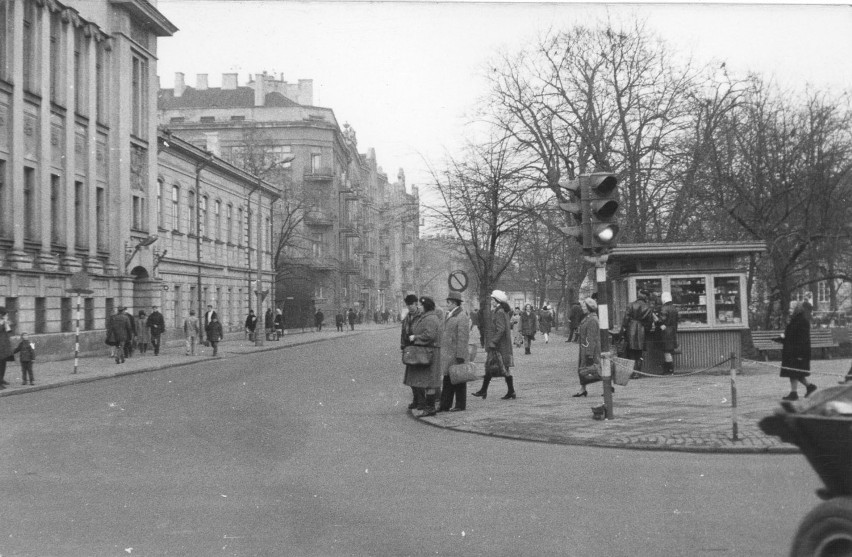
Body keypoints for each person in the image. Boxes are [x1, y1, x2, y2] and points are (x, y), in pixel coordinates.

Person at [403, 296, 443, 417]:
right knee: (428, 381)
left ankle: (430, 408)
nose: (419, 307)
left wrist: (415, 337)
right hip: (428, 352)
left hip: (430, 353)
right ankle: (429, 406)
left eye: (421, 305)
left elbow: (429, 335)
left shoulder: (430, 318)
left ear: (425, 306)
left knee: (430, 382)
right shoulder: (427, 317)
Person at [473, 290, 515, 400]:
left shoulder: (499, 312)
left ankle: (485, 390)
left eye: (493, 299)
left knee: (493, 367)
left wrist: (493, 342)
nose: (491, 301)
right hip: (500, 345)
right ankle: (510, 391)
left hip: (498, 346)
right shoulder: (501, 310)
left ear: (497, 301)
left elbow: (500, 329)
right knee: (496, 368)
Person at [775, 301, 817, 401]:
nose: (790, 310)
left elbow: (802, 339)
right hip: (792, 351)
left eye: (791, 308)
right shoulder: (795, 319)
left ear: (797, 309)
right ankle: (806, 388)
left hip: (797, 352)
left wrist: (800, 354)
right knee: (794, 372)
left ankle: (799, 391)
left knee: (795, 372)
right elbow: (791, 335)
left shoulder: (802, 320)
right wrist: (781, 339)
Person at [438, 291, 470, 412]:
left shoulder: (461, 316)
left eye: (449, 302)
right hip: (448, 353)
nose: (447, 304)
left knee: (459, 379)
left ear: (455, 303)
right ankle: (445, 405)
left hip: (456, 354)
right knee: (448, 380)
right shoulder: (450, 315)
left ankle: (460, 405)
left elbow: (463, 337)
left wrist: (461, 355)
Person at [620, 289, 658, 374]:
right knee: (639, 353)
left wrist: (624, 329)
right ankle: (638, 372)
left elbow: (626, 319)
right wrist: (646, 329)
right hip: (642, 330)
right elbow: (649, 321)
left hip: (631, 329)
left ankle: (633, 372)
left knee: (631, 352)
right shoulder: (648, 307)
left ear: (639, 295)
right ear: (646, 297)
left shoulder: (631, 305)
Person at [573, 298, 601, 397]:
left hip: (589, 348)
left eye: (584, 306)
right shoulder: (588, 317)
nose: (582, 308)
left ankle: (608, 386)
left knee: (594, 368)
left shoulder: (592, 319)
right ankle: (583, 388)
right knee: (585, 369)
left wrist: (589, 353)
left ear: (589, 307)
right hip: (585, 347)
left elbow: (591, 337)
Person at [400, 294, 423, 410]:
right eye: (408, 305)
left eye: (411, 305)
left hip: (419, 349)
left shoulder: (422, 316)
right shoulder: (407, 317)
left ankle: (421, 401)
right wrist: (403, 347)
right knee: (411, 378)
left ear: (416, 304)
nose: (409, 307)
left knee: (419, 377)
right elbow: (403, 332)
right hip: (409, 350)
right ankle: (416, 400)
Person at [658, 292, 679, 375]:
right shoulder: (674, 308)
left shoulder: (664, 308)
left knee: (666, 351)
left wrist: (658, 322)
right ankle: (669, 370)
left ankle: (669, 370)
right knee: (669, 350)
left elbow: (662, 319)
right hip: (672, 331)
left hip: (666, 332)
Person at [0, 307, 12, 388]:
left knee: (3, 364)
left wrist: (7, 324)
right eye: (6, 315)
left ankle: (1, 379)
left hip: (4, 346)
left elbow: (9, 332)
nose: (7, 316)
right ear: (1, 315)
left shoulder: (4, 322)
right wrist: (2, 324)